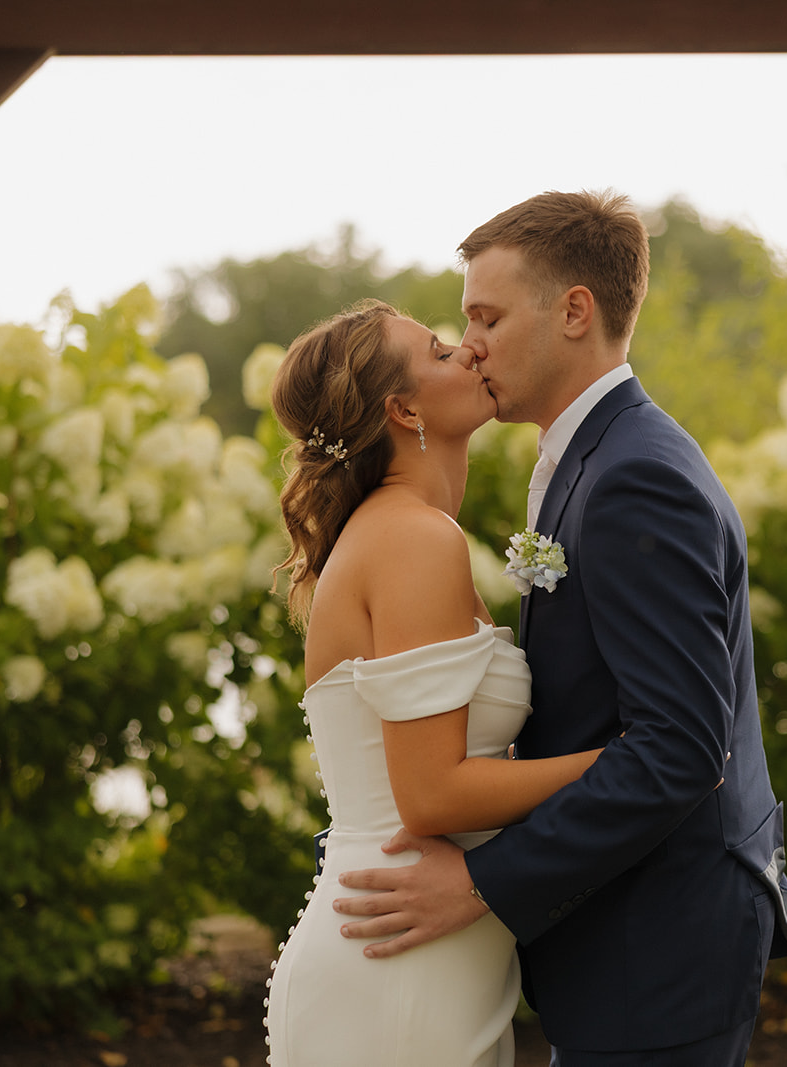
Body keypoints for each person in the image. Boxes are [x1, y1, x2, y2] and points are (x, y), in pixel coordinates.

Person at [332, 191, 787, 1066]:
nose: (471, 342)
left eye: (486, 315)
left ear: (573, 311)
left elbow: (679, 750)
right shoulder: (591, 457)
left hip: (660, 939)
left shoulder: (637, 476)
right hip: (621, 929)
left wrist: (484, 882)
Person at [262, 298, 611, 1066]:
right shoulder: (413, 538)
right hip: (398, 953)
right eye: (444, 350)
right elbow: (432, 795)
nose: (473, 354)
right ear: (402, 406)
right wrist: (620, 764)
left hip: (424, 937)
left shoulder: (407, 530)